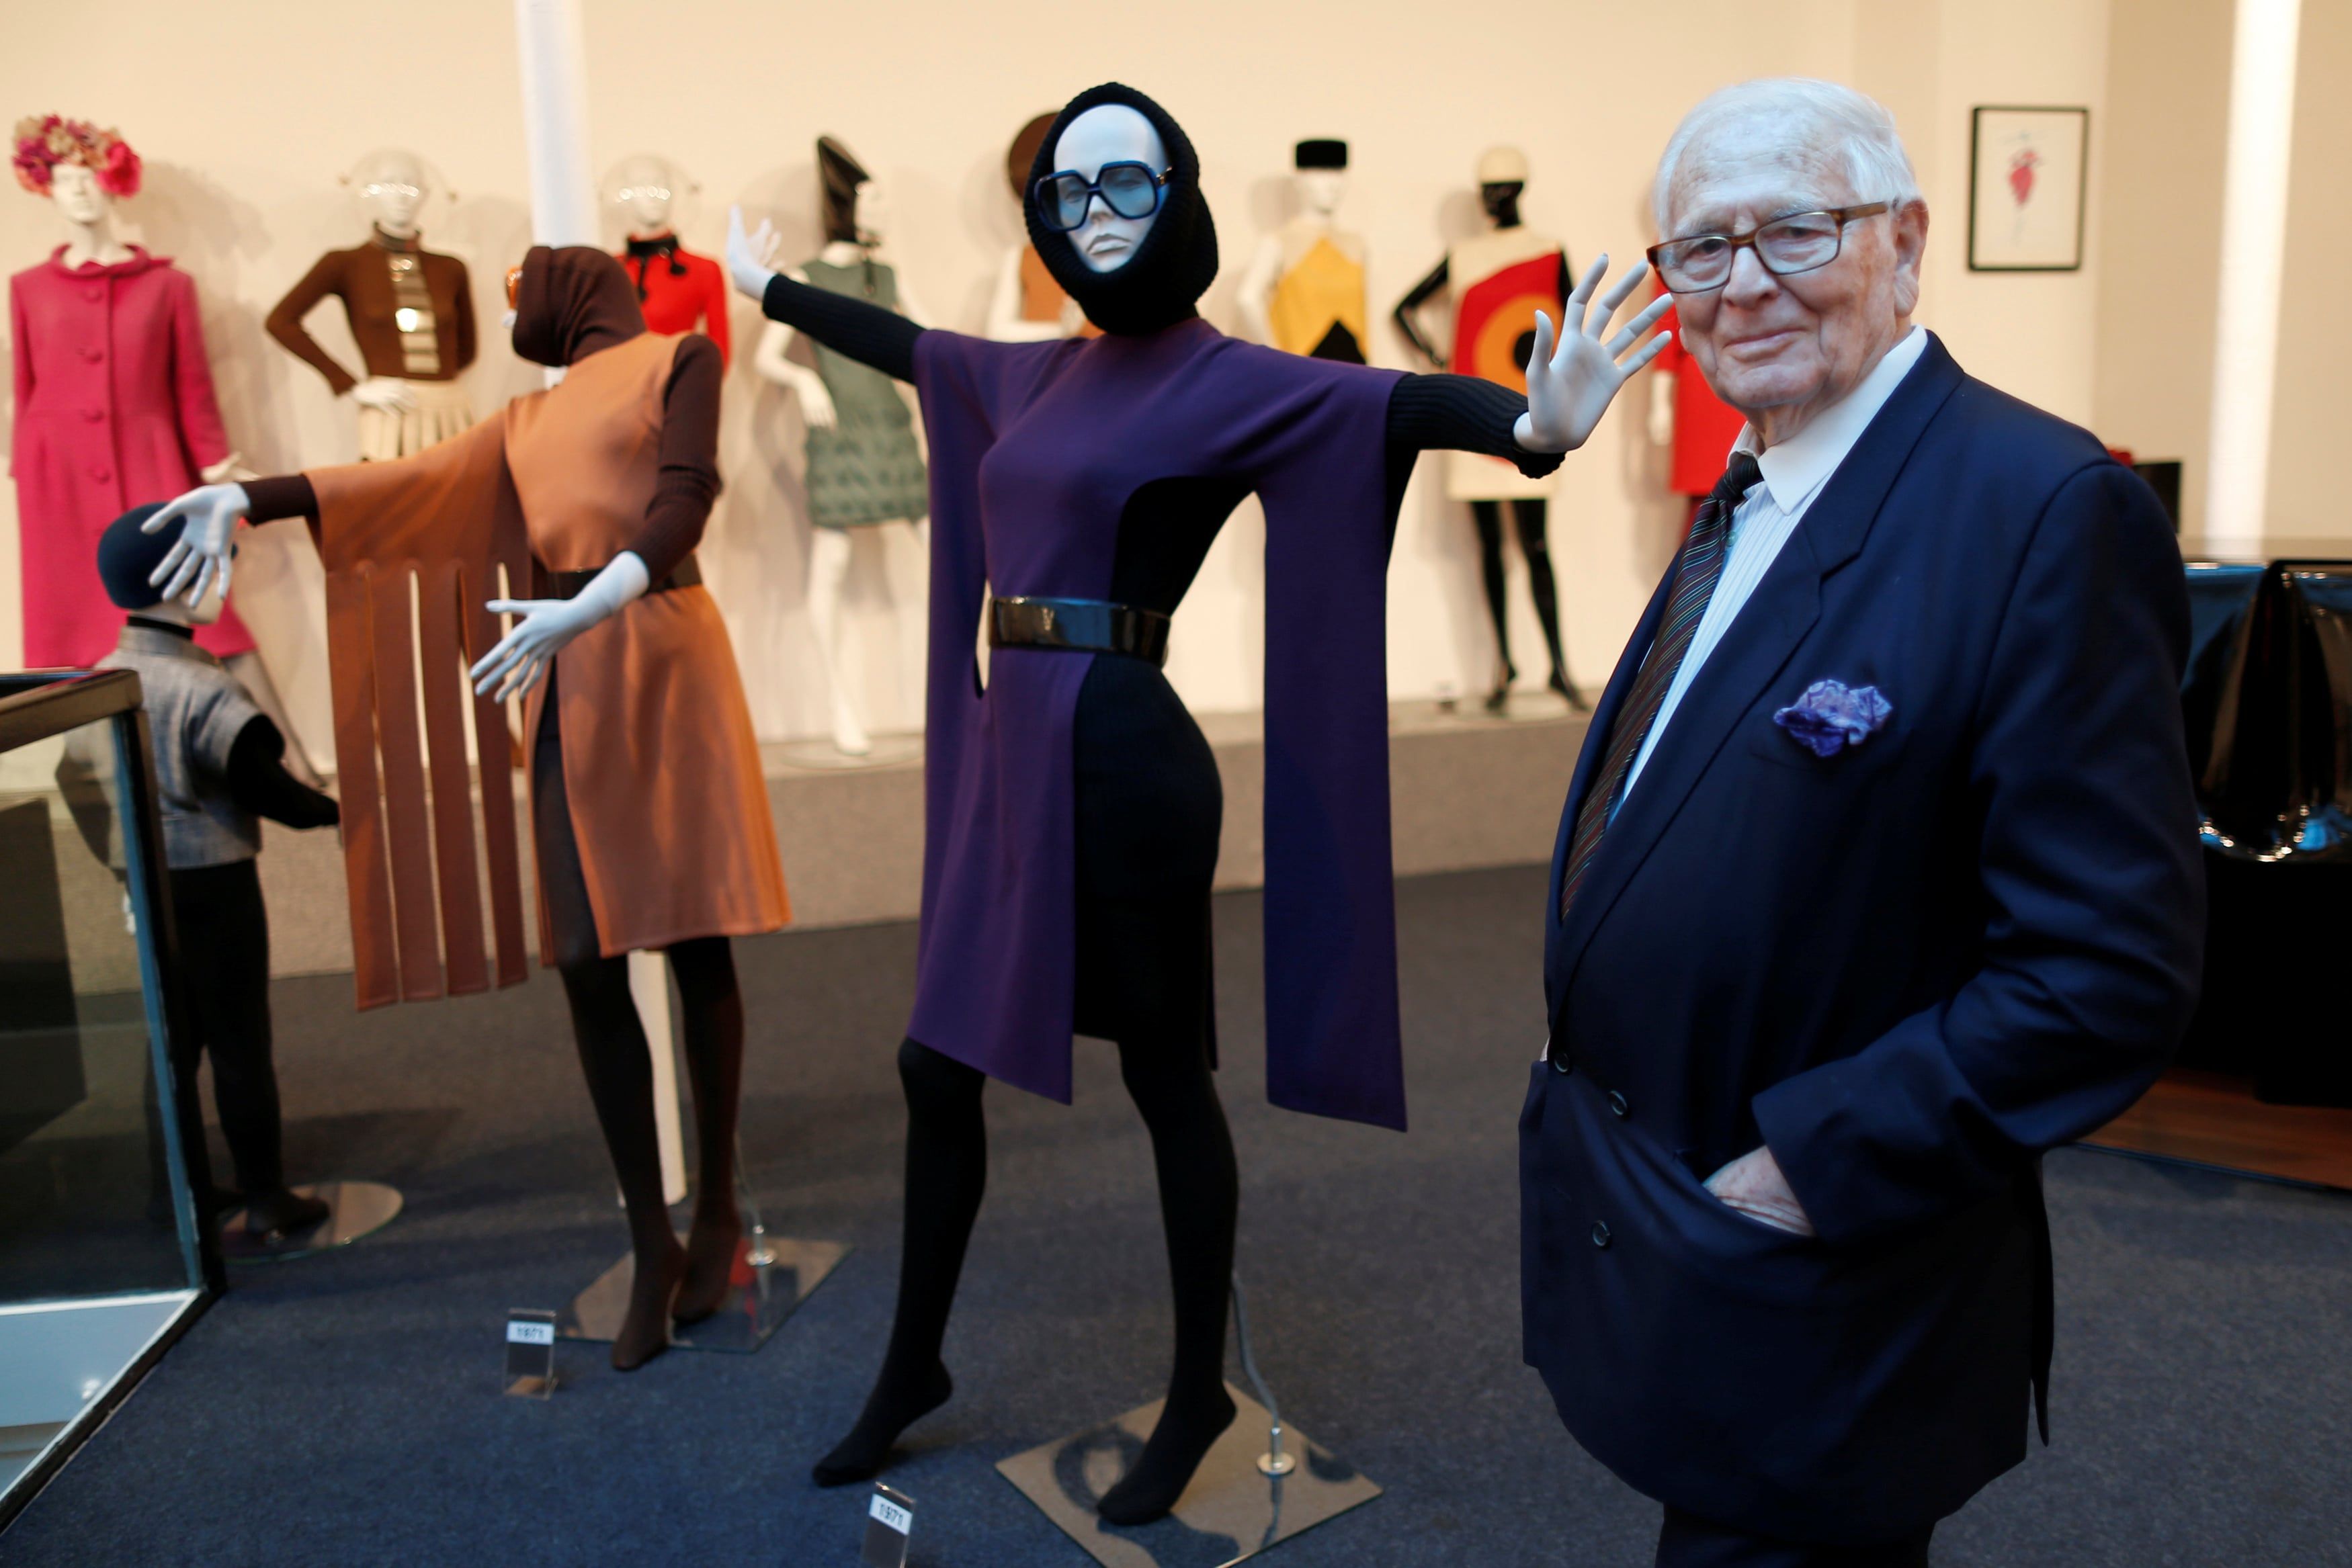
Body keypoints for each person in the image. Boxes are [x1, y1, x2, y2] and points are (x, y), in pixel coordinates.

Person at [726, 81, 1667, 1524]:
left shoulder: (1229, 377)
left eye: (1128, 185)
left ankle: (1194, 1389)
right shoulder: (1028, 375)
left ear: (1183, 194)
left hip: (1124, 754)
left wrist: (1535, 430)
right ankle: (913, 1362)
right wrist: (770, 284)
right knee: (935, 1061)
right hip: (1008, 752)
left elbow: (1398, 403)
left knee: (1165, 1077)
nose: (1095, 217)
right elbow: (909, 344)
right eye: (1069, 196)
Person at [1520, 78, 2205, 1567]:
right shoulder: (1757, 484)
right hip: (1686, 1245)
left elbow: (2105, 976)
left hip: (1825, 1269)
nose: (1742, 283)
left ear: (1904, 242)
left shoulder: (2040, 510)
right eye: (1699, 251)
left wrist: (1798, 1177)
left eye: (1793, 231)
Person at [141, 248, 791, 1372]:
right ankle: (649, 1230)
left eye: (517, 288)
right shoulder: (524, 416)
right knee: (586, 957)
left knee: (696, 938)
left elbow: (687, 497)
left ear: (569, 287)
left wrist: (594, 593)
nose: (508, 308)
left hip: (665, 657)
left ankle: (721, 1201)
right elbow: (394, 484)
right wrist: (251, 495)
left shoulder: (677, 357)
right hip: (571, 676)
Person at [57, 504, 342, 1240]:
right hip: (216, 884)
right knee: (241, 1040)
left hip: (146, 883)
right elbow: (267, 788)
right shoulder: (205, 689)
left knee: (172, 1039)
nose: (227, 572)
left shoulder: (97, 679)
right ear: (178, 581)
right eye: (214, 561)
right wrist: (338, 813)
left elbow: (74, 782)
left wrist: (118, 854)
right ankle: (267, 1192)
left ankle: (175, 1189)